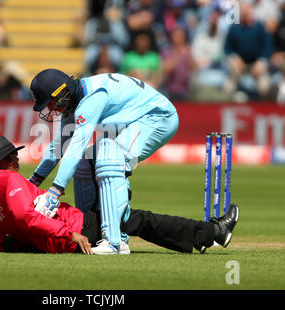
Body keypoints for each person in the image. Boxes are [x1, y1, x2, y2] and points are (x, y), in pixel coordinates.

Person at [0, 136, 240, 255]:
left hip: (59, 233)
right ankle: (212, 232)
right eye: (14, 156)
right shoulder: (10, 179)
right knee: (136, 219)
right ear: (7, 159)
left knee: (132, 219)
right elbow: (25, 215)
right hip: (75, 227)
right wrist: (70, 234)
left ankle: (202, 237)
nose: (18, 160)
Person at [27, 68, 180, 255]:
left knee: (110, 156)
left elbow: (76, 146)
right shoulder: (75, 101)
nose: (50, 109)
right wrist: (32, 183)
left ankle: (115, 241)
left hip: (158, 118)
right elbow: (57, 147)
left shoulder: (92, 98)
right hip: (134, 120)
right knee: (85, 162)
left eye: (50, 103)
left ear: (61, 93)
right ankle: (90, 232)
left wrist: (55, 190)